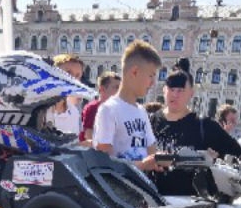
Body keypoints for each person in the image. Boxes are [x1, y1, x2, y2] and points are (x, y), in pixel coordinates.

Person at [149, 59, 241, 195]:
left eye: (181, 90)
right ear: (164, 90)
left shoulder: (204, 125)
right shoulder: (151, 121)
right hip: (154, 197)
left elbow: (236, 151)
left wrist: (213, 159)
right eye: (171, 89)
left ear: (191, 93)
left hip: (190, 201)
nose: (175, 95)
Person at [93, 40, 165, 172]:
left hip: (141, 182)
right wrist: (142, 165)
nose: (153, 83)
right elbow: (104, 162)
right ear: (135, 72)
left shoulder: (141, 111)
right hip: (120, 184)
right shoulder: (108, 110)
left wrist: (163, 160)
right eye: (151, 76)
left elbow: (151, 150)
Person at [49, 54, 85, 135]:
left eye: (77, 76)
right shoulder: (37, 109)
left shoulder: (73, 112)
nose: (73, 79)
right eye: (68, 73)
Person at [80, 70, 120, 143]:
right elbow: (88, 135)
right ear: (102, 89)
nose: (119, 91)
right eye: (116, 87)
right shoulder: (93, 108)